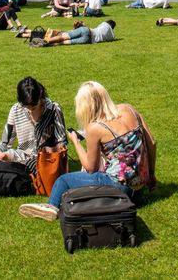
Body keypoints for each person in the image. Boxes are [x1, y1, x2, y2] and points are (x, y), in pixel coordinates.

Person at [18, 81, 156, 222]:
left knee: (63, 181)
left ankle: (51, 207)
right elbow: (152, 142)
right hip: (140, 188)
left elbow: (91, 168)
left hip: (120, 188)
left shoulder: (95, 128)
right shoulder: (129, 109)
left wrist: (76, 142)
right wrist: (151, 174)